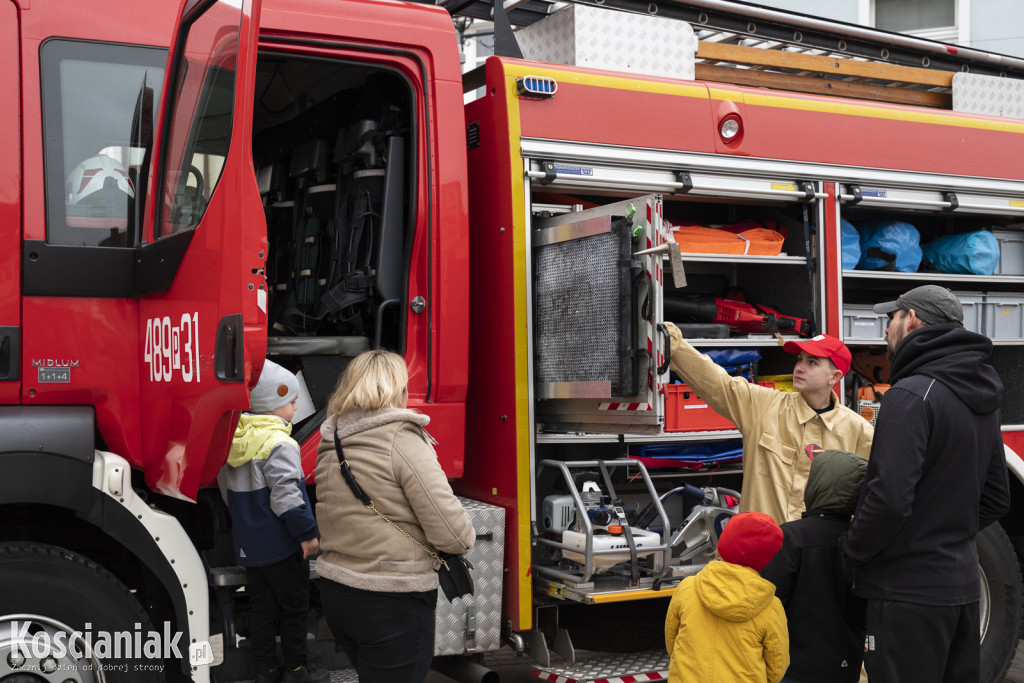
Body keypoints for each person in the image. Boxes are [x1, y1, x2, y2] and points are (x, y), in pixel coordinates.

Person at [839, 285, 1011, 683]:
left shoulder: (911, 394)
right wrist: (943, 533)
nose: (885, 331)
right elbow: (997, 497)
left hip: (906, 594)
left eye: (890, 319)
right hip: (963, 589)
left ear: (911, 320)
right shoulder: (983, 394)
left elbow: (888, 498)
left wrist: (852, 552)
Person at [315, 349, 475, 683]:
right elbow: (454, 534)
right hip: (390, 600)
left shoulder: (334, 439)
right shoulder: (401, 438)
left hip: (337, 591)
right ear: (397, 389)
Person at [664, 322, 873, 523]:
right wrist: (671, 341)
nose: (799, 367)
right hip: (759, 552)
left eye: (812, 362)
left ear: (834, 377)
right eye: (800, 359)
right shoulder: (764, 406)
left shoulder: (858, 430)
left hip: (817, 554)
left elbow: (868, 497)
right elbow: (718, 383)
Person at [217, 359, 328, 683]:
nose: (295, 408)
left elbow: (228, 496)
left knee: (262, 608)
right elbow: (286, 497)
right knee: (294, 608)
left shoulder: (235, 443)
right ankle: (297, 670)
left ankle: (265, 670)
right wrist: (307, 534)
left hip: (250, 544)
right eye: (292, 402)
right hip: (281, 544)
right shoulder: (280, 444)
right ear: (275, 405)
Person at [761, 449, 868, 683]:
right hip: (845, 667)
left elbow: (767, 603)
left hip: (792, 668)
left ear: (820, 486)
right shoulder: (863, 543)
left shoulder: (789, 538)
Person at [665, 511, 789, 683]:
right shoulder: (770, 606)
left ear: (724, 542)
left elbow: (672, 643)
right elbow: (776, 668)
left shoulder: (687, 587)